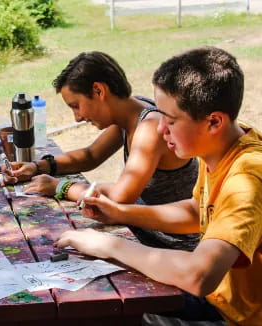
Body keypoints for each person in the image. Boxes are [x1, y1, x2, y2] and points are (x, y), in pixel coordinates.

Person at [56, 47, 262, 325]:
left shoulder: (247, 176)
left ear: (214, 121)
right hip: (221, 299)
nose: (161, 128)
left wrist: (108, 245)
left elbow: (198, 276)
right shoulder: (220, 144)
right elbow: (196, 212)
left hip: (235, 316)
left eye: (171, 120)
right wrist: (119, 213)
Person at [4, 51, 199, 251]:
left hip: (170, 245)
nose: (77, 118)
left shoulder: (150, 128)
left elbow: (120, 196)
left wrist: (60, 187)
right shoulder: (132, 113)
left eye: (76, 106)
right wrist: (39, 166)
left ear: (98, 91)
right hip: (142, 231)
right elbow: (91, 156)